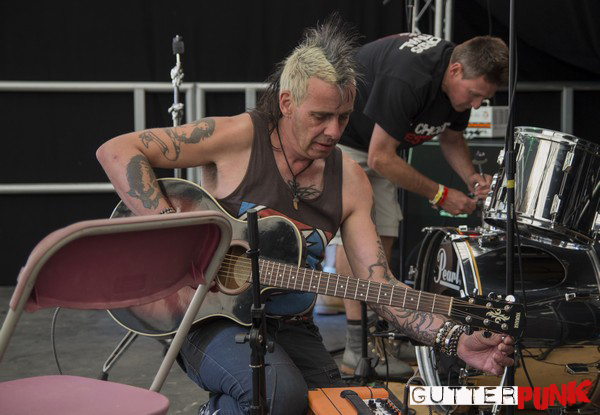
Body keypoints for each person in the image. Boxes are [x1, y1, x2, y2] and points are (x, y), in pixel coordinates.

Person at [97, 18, 513, 415]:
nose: (334, 131)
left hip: (292, 326)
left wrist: (454, 338)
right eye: (320, 117)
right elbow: (117, 150)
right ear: (287, 103)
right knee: (278, 395)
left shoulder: (350, 180)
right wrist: (175, 235)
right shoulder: (239, 137)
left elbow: (378, 285)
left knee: (339, 406)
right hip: (204, 316)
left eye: (344, 117)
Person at [325, 32, 509, 377]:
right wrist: (440, 194)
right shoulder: (409, 77)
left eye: (483, 99)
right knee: (354, 242)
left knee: (382, 241)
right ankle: (358, 347)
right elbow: (380, 158)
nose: (476, 105)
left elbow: (451, 138)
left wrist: (471, 178)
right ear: (455, 70)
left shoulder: (455, 88)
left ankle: (383, 336)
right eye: (474, 95)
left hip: (379, 148)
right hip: (344, 140)